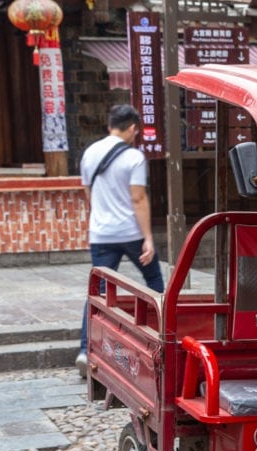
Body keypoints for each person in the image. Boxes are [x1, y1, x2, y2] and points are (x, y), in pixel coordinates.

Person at [75, 104, 164, 377]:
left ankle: (84, 349)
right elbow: (138, 198)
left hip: (101, 233)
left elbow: (88, 193)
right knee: (155, 284)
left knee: (98, 291)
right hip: (131, 233)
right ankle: (162, 338)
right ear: (133, 129)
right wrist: (148, 238)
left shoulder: (90, 153)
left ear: (109, 125)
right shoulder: (134, 157)